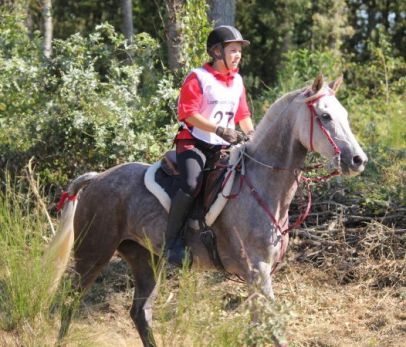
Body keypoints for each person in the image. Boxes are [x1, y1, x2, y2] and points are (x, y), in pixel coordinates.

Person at [165, 25, 255, 267]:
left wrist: (252, 135)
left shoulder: (237, 81)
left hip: (222, 147)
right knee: (192, 182)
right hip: (194, 143)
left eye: (239, 51)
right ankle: (171, 241)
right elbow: (187, 114)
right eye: (233, 50)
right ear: (217, 52)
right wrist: (219, 130)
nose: (238, 55)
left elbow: (243, 114)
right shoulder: (198, 77)